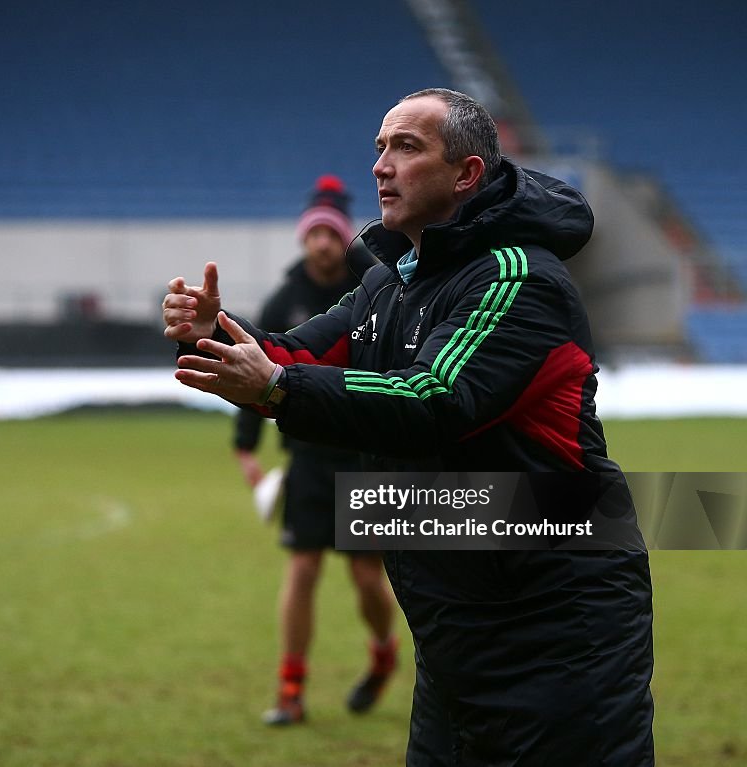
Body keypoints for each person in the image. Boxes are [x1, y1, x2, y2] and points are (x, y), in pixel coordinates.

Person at [162, 88, 654, 765]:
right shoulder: (389, 285)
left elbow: (432, 400)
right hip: (455, 633)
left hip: (559, 632)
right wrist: (208, 333)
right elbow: (293, 355)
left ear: (466, 174)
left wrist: (277, 388)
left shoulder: (517, 278)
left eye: (406, 146)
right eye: (379, 148)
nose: (380, 166)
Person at [233, 175, 398, 726]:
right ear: (304, 240)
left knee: (366, 578)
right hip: (307, 453)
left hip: (362, 452)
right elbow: (251, 366)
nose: (322, 244)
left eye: (331, 234)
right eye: (314, 235)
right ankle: (290, 690)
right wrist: (246, 448)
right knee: (302, 570)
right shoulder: (287, 295)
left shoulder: (374, 285)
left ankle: (383, 652)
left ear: (342, 237)